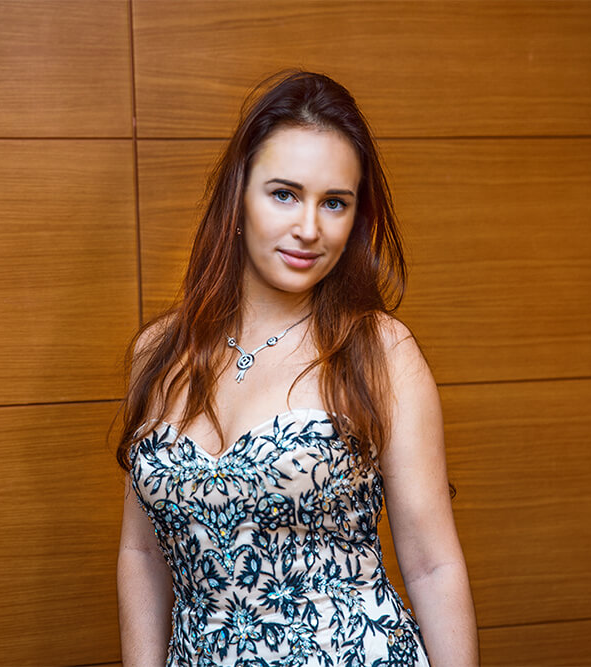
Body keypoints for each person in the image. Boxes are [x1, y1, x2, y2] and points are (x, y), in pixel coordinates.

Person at [114, 69, 478, 667]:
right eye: (284, 194)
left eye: (334, 203)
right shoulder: (159, 351)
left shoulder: (379, 350)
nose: (309, 229)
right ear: (239, 197)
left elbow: (433, 566)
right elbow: (142, 554)